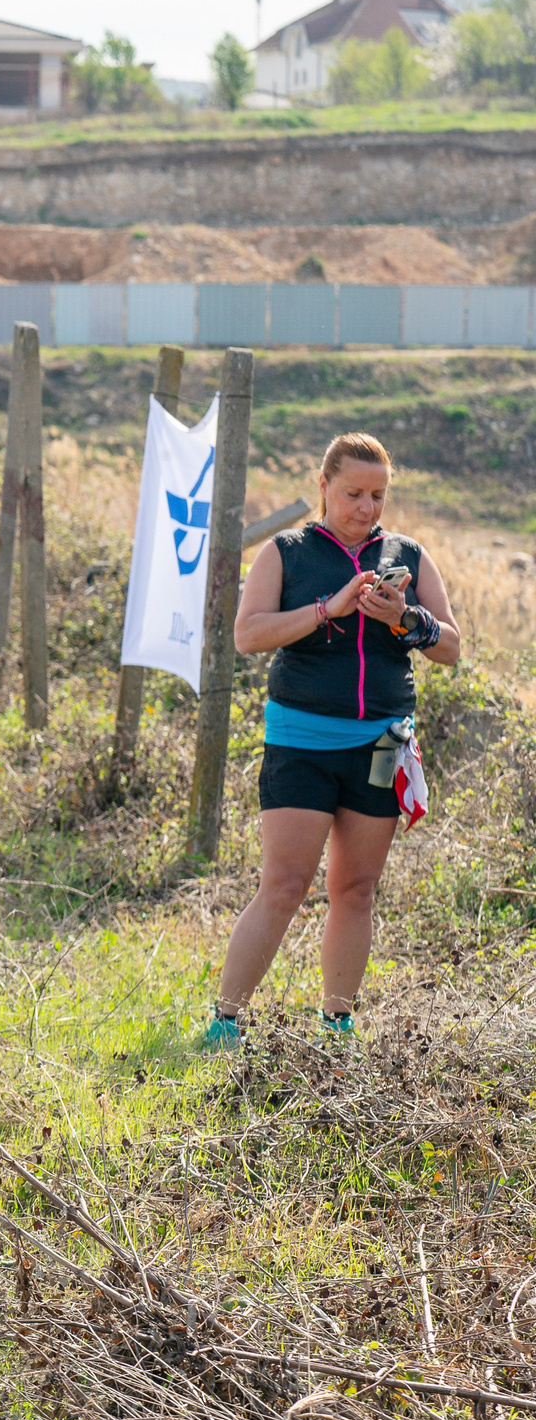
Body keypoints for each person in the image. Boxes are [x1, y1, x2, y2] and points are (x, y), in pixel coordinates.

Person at [207, 434, 462, 1045]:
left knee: (355, 887)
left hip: (381, 745)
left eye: (378, 495)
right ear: (323, 487)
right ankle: (224, 1021)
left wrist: (405, 619)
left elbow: (450, 649)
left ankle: (337, 1023)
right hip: (300, 741)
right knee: (286, 885)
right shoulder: (286, 551)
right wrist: (330, 608)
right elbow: (248, 635)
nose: (367, 508)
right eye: (353, 494)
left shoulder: (409, 555)